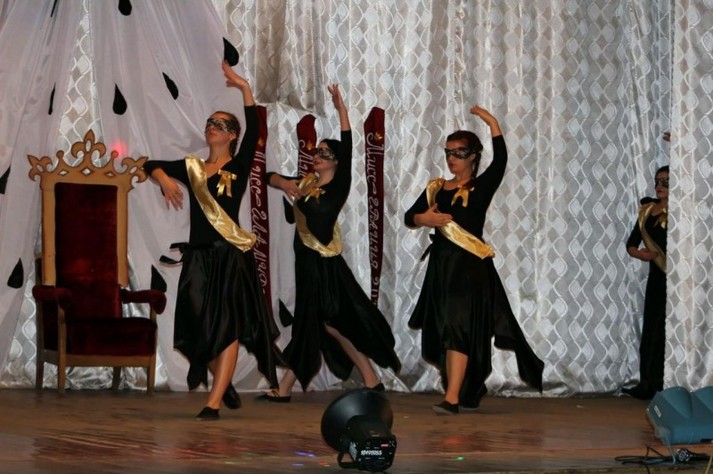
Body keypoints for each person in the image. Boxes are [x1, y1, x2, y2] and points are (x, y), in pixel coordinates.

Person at [143, 61, 284, 420]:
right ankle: (223, 382)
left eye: (220, 125)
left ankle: (214, 401)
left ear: (232, 136)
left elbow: (255, 128)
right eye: (210, 123)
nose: (212, 127)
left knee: (228, 326)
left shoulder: (238, 166)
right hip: (199, 258)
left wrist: (244, 88)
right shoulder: (192, 167)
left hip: (230, 257)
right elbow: (149, 164)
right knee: (195, 325)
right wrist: (164, 178)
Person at [257, 84, 401, 402]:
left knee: (317, 323)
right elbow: (269, 177)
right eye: (316, 152)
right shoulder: (305, 183)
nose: (317, 156)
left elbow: (348, 146)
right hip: (306, 262)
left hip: (325, 265)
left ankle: (284, 389)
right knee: (324, 325)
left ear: (335, 161)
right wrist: (284, 183)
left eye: (324, 153)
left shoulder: (338, 185)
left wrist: (342, 110)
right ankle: (370, 379)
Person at [404, 106, 544, 415]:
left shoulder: (482, 186)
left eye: (459, 152)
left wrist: (492, 122)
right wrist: (424, 218)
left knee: (458, 327)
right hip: (442, 269)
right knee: (444, 329)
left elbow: (501, 160)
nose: (452, 158)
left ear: (473, 157)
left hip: (469, 269)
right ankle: (464, 389)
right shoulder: (436, 188)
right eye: (448, 152)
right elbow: (409, 217)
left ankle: (452, 398)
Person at [623, 163, 669, 400]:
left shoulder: (680, 211)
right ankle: (646, 383)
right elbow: (631, 243)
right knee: (651, 328)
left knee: (664, 330)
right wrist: (640, 254)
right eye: (658, 181)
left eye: (666, 182)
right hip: (656, 278)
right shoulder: (647, 211)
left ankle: (662, 384)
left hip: (673, 279)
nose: (660, 186)